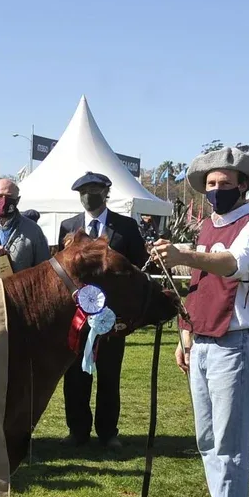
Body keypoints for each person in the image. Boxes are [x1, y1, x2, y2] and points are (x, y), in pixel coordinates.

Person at [152, 146, 249, 497]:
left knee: (229, 445)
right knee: (208, 442)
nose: (216, 190)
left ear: (243, 185)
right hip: (203, 341)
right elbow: (199, 287)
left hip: (234, 343)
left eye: (224, 183)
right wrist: (185, 335)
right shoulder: (207, 226)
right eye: (211, 184)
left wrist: (184, 254)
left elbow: (237, 264)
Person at [56, 172, 148, 449]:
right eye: (84, 191)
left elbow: (139, 267)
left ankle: (108, 432)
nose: (89, 196)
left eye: (95, 190)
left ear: (106, 192)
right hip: (78, 317)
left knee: (109, 375)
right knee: (75, 376)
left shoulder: (126, 227)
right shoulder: (68, 226)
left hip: (112, 317)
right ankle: (77, 430)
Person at [0, 178, 50, 273]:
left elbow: (44, 268)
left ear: (17, 200)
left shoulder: (33, 230)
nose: (4, 200)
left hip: (20, 282)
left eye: (9, 196)